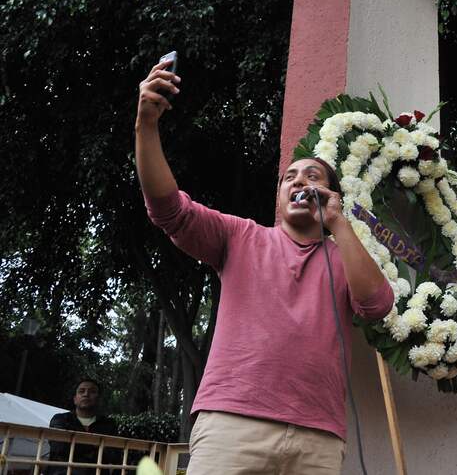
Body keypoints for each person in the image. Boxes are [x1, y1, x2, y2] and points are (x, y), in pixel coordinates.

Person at [135, 56, 394, 475]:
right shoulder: (242, 237)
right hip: (233, 424)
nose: (299, 182)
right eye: (289, 177)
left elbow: (377, 305)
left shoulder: (343, 254)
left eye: (313, 176)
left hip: (319, 438)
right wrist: (146, 124)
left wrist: (339, 224)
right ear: (279, 196)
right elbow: (168, 210)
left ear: (331, 195)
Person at [46, 378, 119, 475]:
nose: (86, 394)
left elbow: (113, 454)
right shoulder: (60, 419)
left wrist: (75, 443)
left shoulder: (109, 424)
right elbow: (60, 448)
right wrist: (97, 446)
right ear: (75, 399)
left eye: (92, 391)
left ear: (98, 399)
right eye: (81, 391)